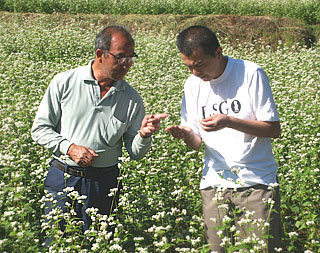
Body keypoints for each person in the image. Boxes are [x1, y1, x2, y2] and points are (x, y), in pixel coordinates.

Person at [31, 25, 167, 245]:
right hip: (62, 179)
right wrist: (69, 148)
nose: (127, 64)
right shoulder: (65, 82)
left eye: (131, 58)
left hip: (103, 184)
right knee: (56, 243)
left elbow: (136, 153)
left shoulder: (132, 99)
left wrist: (144, 134)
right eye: (121, 57)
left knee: (100, 244)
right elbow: (39, 129)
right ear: (100, 54)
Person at [166, 26, 281, 252]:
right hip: (214, 184)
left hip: (256, 182)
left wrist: (228, 121)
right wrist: (186, 134)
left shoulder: (250, 73)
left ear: (218, 53)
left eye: (199, 65)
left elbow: (273, 129)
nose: (195, 74)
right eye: (188, 67)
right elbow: (197, 142)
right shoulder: (192, 85)